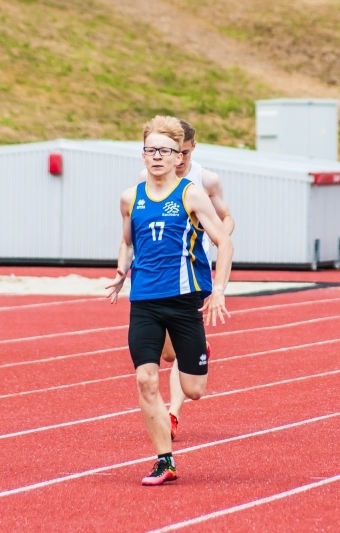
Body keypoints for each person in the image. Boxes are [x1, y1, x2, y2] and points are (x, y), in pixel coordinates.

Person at [107, 115, 234, 486]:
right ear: (142, 154)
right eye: (151, 150)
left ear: (179, 154)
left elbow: (224, 241)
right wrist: (119, 272)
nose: (157, 156)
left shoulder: (191, 194)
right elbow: (126, 241)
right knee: (146, 379)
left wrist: (219, 290)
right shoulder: (130, 197)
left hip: (183, 302)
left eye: (164, 150)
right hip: (144, 300)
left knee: (194, 390)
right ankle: (165, 460)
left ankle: (198, 350)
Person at [140, 119, 235, 441]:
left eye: (182, 153)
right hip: (157, 274)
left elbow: (226, 217)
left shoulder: (205, 180)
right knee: (167, 355)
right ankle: (195, 346)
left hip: (191, 272)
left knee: (184, 369)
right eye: (169, 152)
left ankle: (173, 413)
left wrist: (215, 239)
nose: (175, 159)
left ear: (191, 148)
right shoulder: (149, 178)